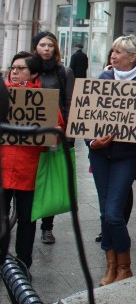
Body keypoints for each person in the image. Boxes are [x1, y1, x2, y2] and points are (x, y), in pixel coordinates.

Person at [88, 36, 136, 285]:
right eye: (112, 52)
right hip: (99, 156)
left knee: (114, 214)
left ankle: (124, 266)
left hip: (126, 157)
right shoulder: (104, 79)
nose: (113, 56)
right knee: (105, 213)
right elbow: (88, 117)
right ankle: (111, 265)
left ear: (133, 57)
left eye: (118, 52)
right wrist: (92, 142)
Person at [1, 52, 60, 269]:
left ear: (33, 73)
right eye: (13, 68)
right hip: (3, 166)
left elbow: (57, 133)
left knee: (27, 219)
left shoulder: (44, 99)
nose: (14, 72)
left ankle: (23, 263)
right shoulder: (2, 94)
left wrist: (54, 132)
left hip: (30, 170)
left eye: (21, 69)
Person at [31, 31, 75, 245]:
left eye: (50, 45)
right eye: (42, 45)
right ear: (35, 48)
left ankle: (47, 227)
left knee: (49, 179)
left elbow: (69, 103)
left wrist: (67, 134)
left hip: (54, 135)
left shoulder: (64, 72)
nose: (46, 49)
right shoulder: (29, 70)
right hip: (30, 136)